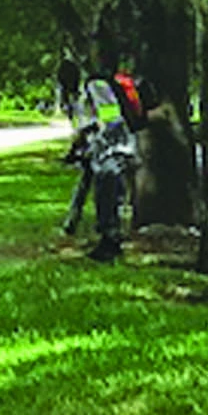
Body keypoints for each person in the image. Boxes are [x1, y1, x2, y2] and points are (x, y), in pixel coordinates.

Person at [76, 58, 139, 262]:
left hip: (113, 151)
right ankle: (108, 242)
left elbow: (111, 120)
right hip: (109, 151)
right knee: (107, 198)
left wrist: (93, 136)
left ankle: (110, 245)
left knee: (108, 198)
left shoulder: (98, 85)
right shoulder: (95, 85)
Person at [56, 59, 95, 236]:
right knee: (83, 184)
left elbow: (95, 121)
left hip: (102, 143)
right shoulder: (70, 98)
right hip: (88, 145)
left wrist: (82, 135)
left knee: (106, 187)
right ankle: (71, 222)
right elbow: (77, 125)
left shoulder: (88, 91)